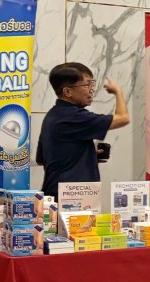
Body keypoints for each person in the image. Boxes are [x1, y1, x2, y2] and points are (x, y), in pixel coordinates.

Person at [36, 63, 129, 200]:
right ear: (68, 92)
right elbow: (123, 118)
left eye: (92, 84)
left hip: (56, 194)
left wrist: (86, 156)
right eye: (87, 85)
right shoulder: (73, 116)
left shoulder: (52, 115)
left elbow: (42, 159)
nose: (92, 89)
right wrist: (118, 92)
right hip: (71, 199)